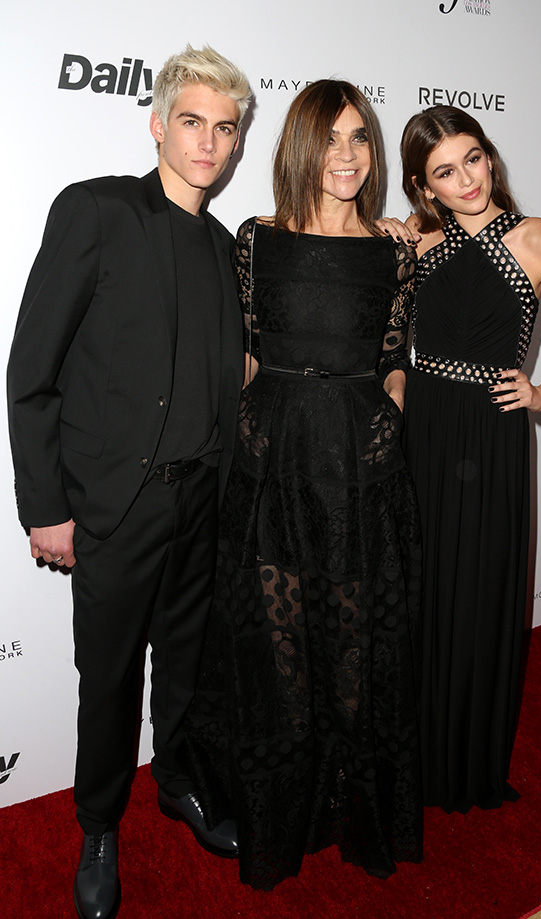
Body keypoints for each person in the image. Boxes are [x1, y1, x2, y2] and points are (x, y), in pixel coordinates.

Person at [6, 45, 251, 919]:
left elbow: (223, 375)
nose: (208, 142)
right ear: (157, 124)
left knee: (183, 668)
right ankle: (98, 826)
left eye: (225, 128)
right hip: (117, 504)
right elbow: (31, 368)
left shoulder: (226, 250)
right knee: (107, 679)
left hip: (201, 502)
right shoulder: (98, 210)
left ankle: (178, 780)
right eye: (192, 121)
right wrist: (46, 507)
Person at [185, 80, 424, 890]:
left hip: (361, 472)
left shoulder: (394, 249)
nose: (348, 155)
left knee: (353, 647)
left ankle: (346, 809)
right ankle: (280, 814)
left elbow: (394, 358)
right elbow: (247, 353)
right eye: (330, 138)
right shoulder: (255, 240)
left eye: (360, 137)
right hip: (273, 467)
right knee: (277, 649)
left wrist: (390, 418)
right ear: (299, 148)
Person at [400, 105, 541, 814]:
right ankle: (409, 746)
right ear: (424, 186)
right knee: (419, 589)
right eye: (445, 171)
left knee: (476, 588)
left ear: (490, 157)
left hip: (492, 431)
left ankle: (465, 756)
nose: (466, 178)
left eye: (473, 157)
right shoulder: (418, 243)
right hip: (423, 428)